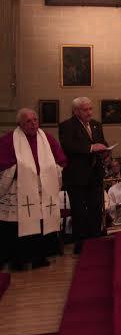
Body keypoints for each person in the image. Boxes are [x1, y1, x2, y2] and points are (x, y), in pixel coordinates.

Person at [0, 109, 67, 270]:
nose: (33, 124)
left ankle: (39, 257)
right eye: (28, 121)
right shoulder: (9, 140)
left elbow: (60, 160)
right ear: (20, 124)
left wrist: (52, 169)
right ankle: (19, 260)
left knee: (41, 223)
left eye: (35, 120)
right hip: (19, 189)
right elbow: (3, 164)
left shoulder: (47, 138)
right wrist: (21, 170)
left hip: (41, 189)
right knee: (17, 226)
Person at [59, 97, 110, 254]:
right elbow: (68, 146)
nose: (89, 112)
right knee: (79, 211)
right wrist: (91, 148)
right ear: (76, 111)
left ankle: (95, 241)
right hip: (77, 176)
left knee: (95, 208)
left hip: (95, 174)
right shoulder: (67, 125)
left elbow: (102, 142)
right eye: (85, 109)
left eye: (90, 109)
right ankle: (80, 244)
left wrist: (106, 151)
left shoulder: (96, 125)